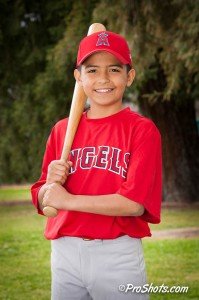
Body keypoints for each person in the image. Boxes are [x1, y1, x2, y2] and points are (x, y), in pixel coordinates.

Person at [31, 30, 162, 300]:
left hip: (116, 254)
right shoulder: (62, 130)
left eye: (114, 69)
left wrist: (67, 200)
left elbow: (133, 203)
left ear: (130, 76)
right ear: (79, 78)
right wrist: (49, 187)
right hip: (65, 251)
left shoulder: (142, 130)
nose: (103, 79)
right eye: (92, 70)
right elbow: (43, 197)